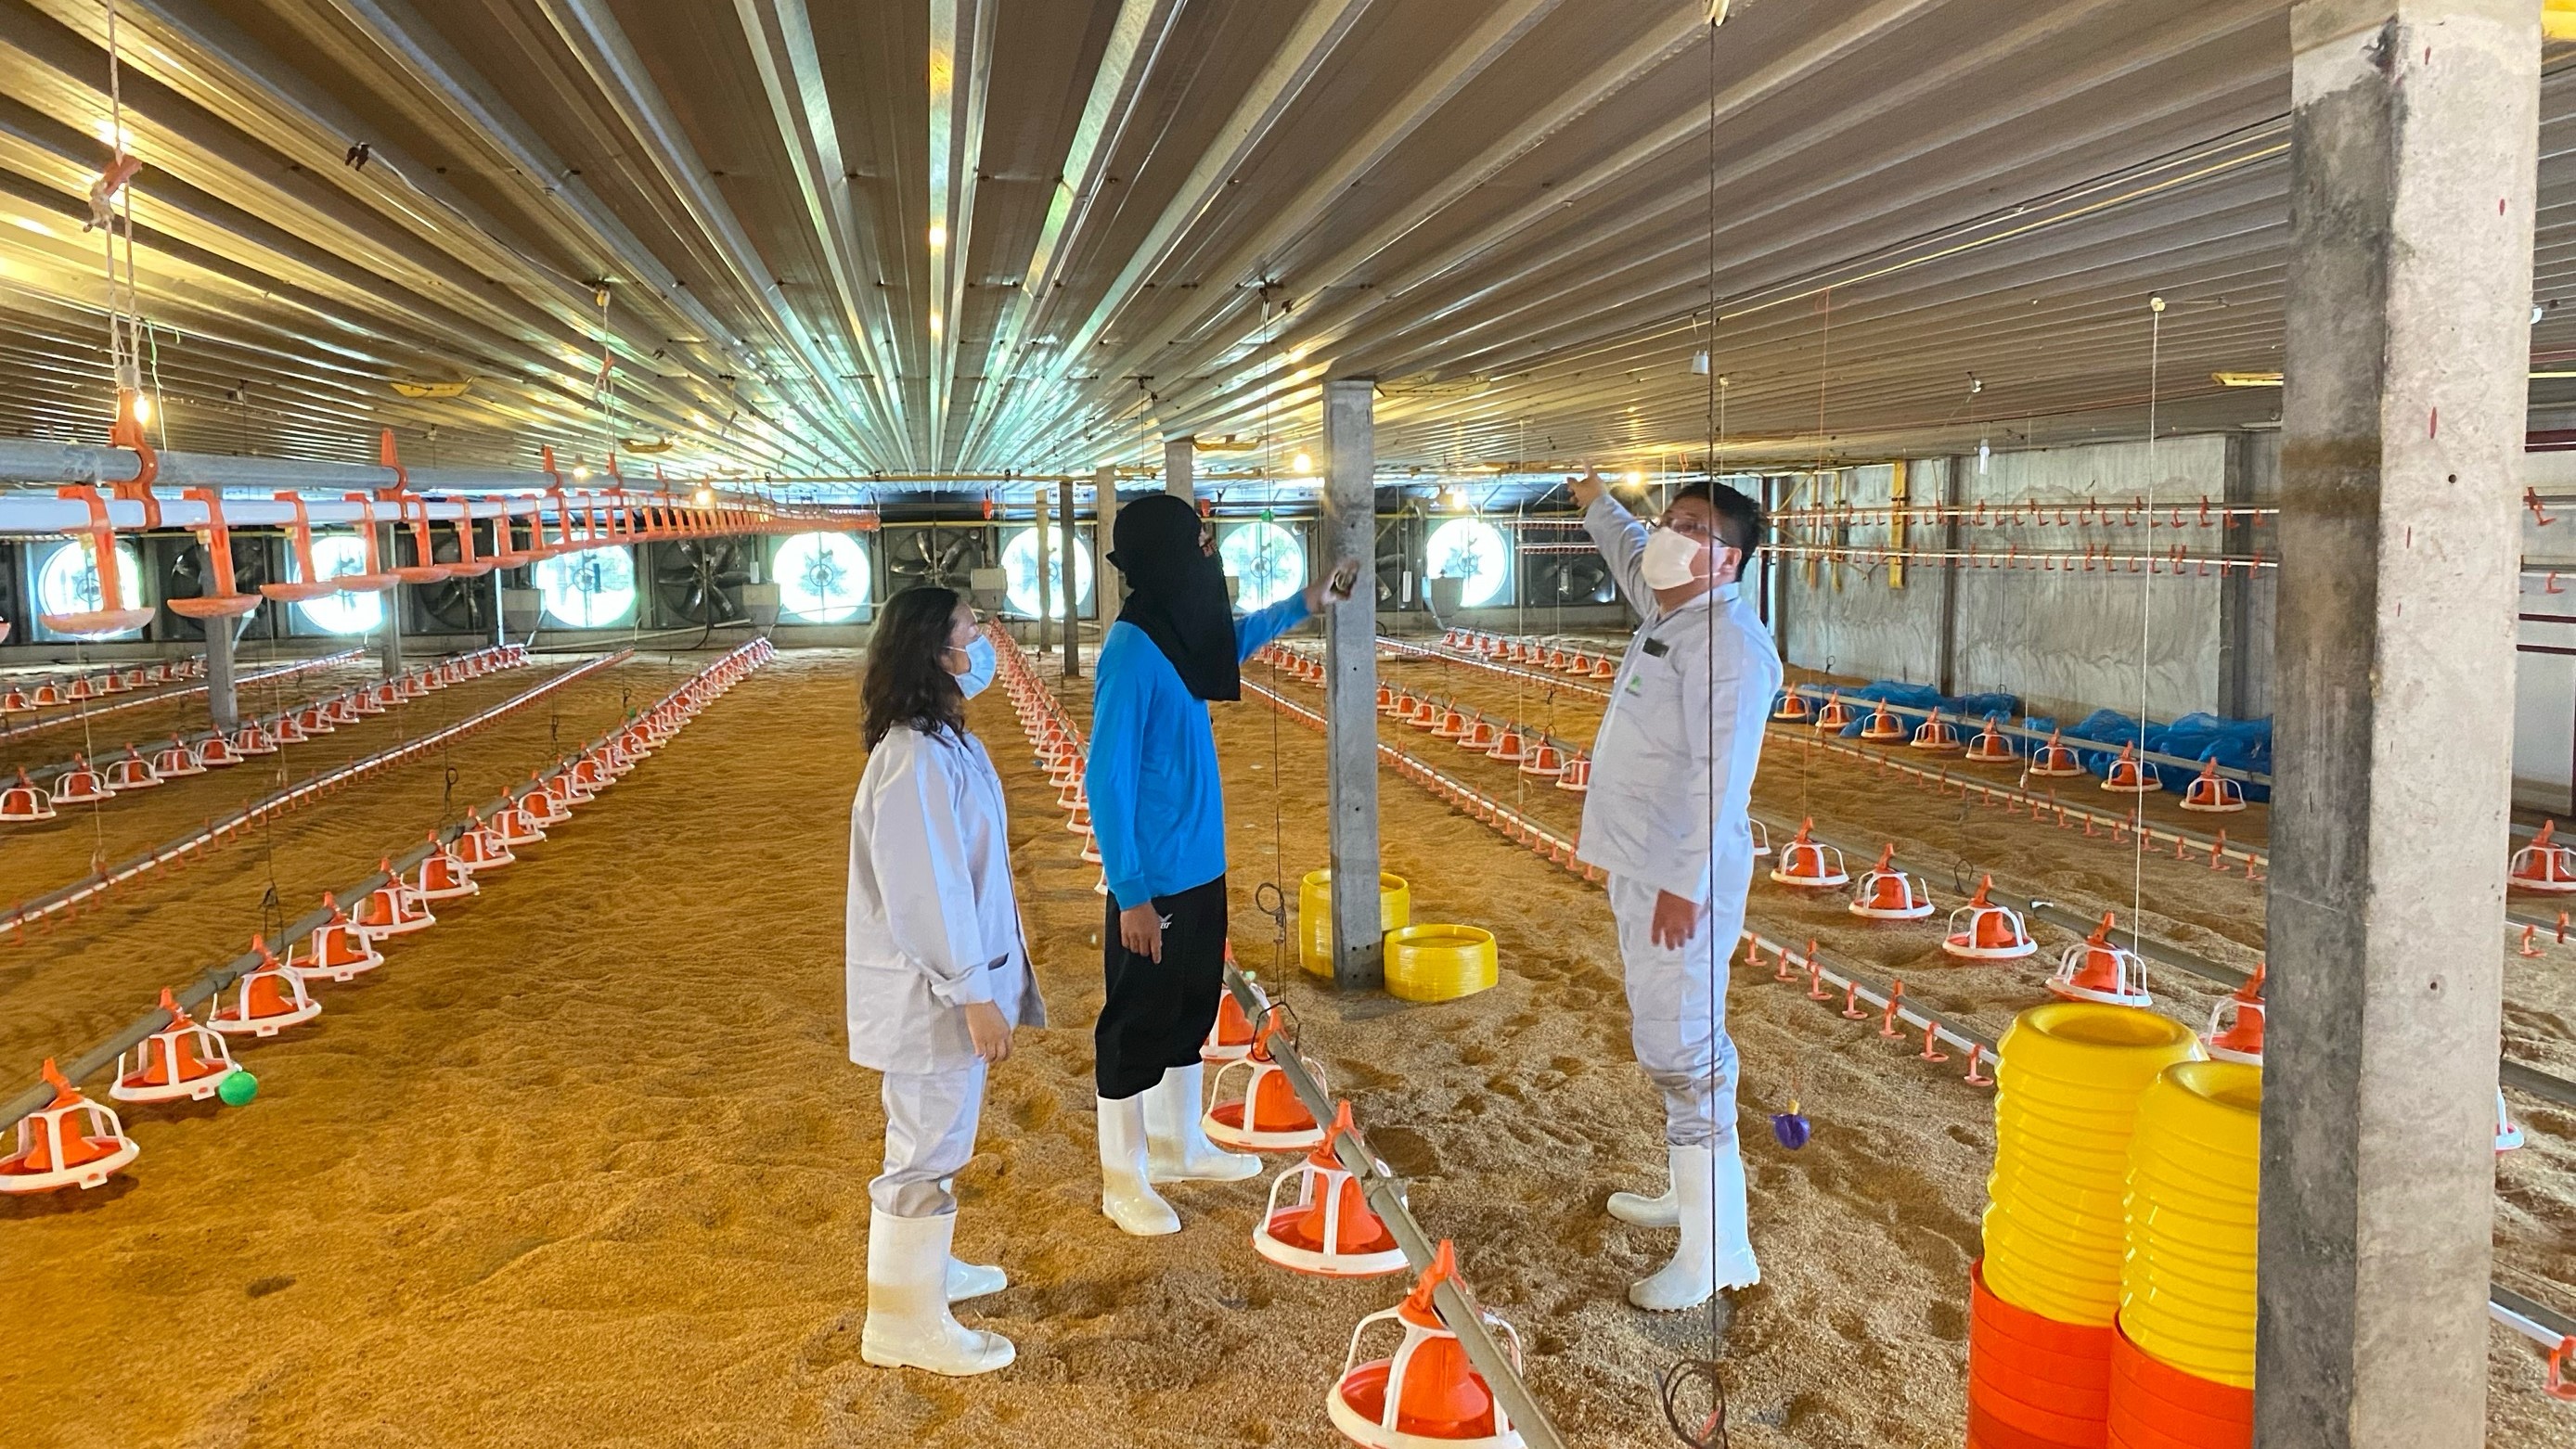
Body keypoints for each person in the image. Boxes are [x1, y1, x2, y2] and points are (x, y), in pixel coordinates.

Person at [1085, 492, 1358, 1236]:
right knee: (1135, 1025)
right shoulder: (1132, 651)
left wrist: (1307, 601)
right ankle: (1124, 1179)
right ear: (1171, 555)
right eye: (1200, 543)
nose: (1211, 554)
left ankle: (1178, 1145)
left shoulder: (1178, 634)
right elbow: (1104, 781)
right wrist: (1132, 893)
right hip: (1156, 881)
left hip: (1200, 865)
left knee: (1190, 1010)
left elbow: (1229, 639)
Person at [1567, 467, 1782, 1313]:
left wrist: (1684, 884)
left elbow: (1719, 780)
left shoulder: (1730, 647)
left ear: (1726, 560)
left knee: (1683, 1051)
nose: (1666, 534)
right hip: (1644, 864)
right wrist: (1594, 500)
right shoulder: (1672, 611)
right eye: (1669, 520)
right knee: (1679, 1042)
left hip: (1679, 879)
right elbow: (1630, 553)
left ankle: (1710, 1254)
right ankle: (1694, 1198)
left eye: (1689, 526)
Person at [845, 584, 1045, 1376]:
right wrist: (974, 994)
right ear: (936, 650)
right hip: (935, 994)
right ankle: (901, 1321)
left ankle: (925, 1271)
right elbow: (929, 894)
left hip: (953, 987)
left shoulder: (945, 741)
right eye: (971, 631)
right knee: (924, 1147)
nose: (983, 642)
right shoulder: (915, 759)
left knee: (941, 1136)